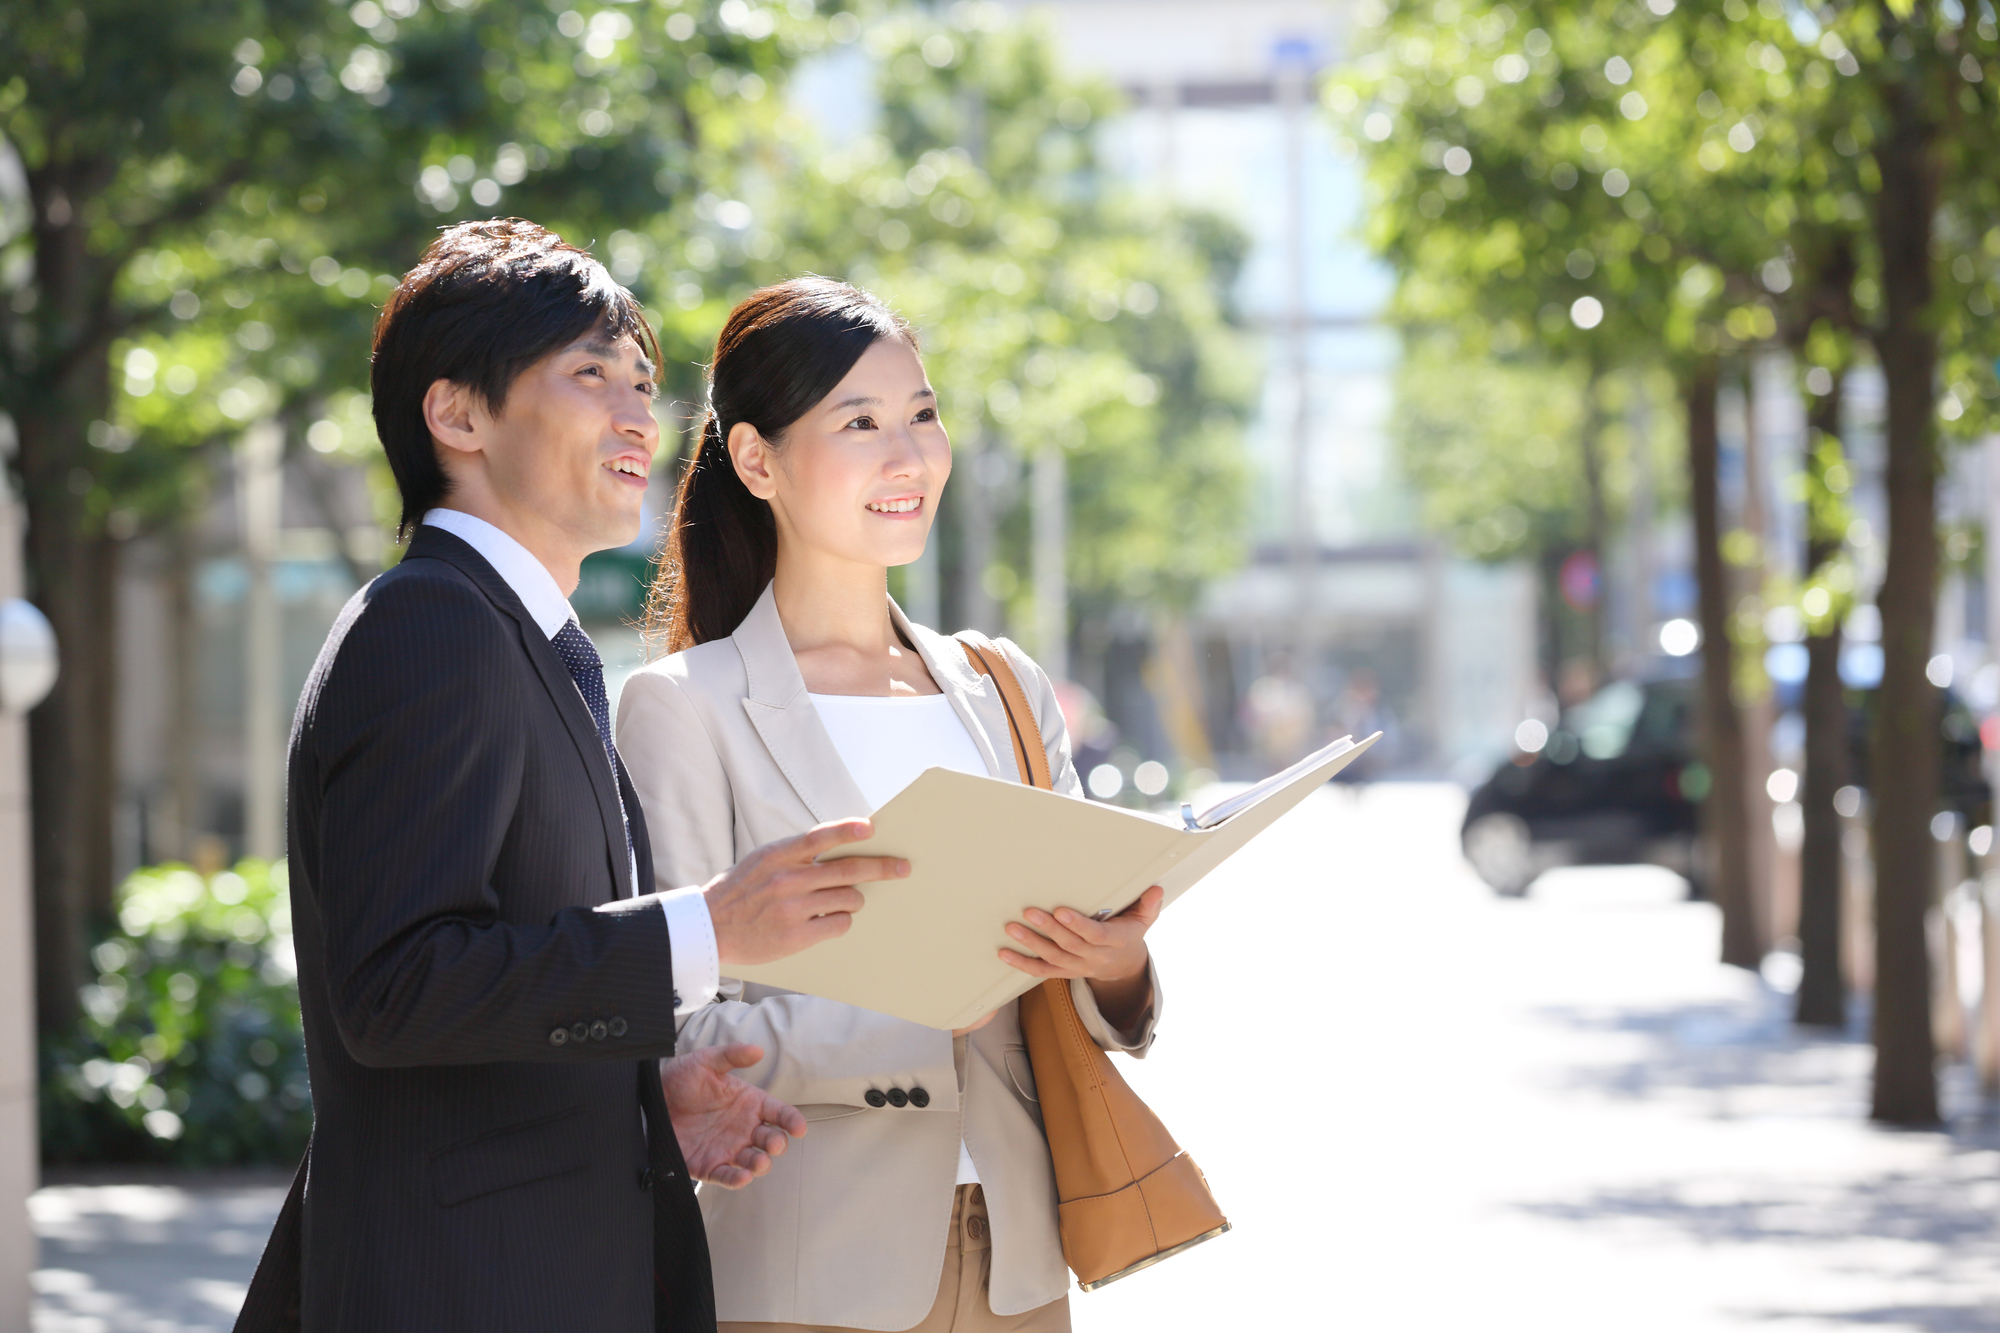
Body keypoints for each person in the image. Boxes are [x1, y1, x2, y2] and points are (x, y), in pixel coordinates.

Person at [235, 222, 910, 1333]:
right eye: (590, 374)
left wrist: (637, 1105)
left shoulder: (527, 642)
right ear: (457, 416)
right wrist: (708, 930)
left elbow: (493, 986)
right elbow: (396, 991)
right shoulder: (432, 627)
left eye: (643, 381)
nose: (638, 412)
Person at [616, 278, 1165, 1333]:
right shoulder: (684, 708)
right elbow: (676, 1030)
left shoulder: (999, 683)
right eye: (857, 423)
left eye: (921, 413)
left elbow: (1088, 992)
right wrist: (926, 1017)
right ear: (755, 460)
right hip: (806, 1267)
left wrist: (1116, 963)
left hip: (1017, 1260)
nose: (907, 456)